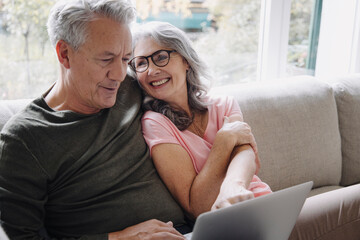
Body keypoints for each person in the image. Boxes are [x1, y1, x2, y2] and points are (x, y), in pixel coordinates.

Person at [0, 1, 189, 239]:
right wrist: (117, 238)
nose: (120, 75)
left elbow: (196, 109)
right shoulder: (24, 140)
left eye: (124, 59)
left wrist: (234, 139)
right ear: (65, 54)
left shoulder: (133, 86)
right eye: (106, 59)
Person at [128, 21, 272, 220]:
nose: (151, 70)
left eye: (160, 57)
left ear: (185, 60)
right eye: (141, 63)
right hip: (221, 220)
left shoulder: (224, 104)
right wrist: (223, 140)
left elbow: (245, 153)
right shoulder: (154, 124)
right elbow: (197, 207)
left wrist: (233, 186)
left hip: (262, 202)